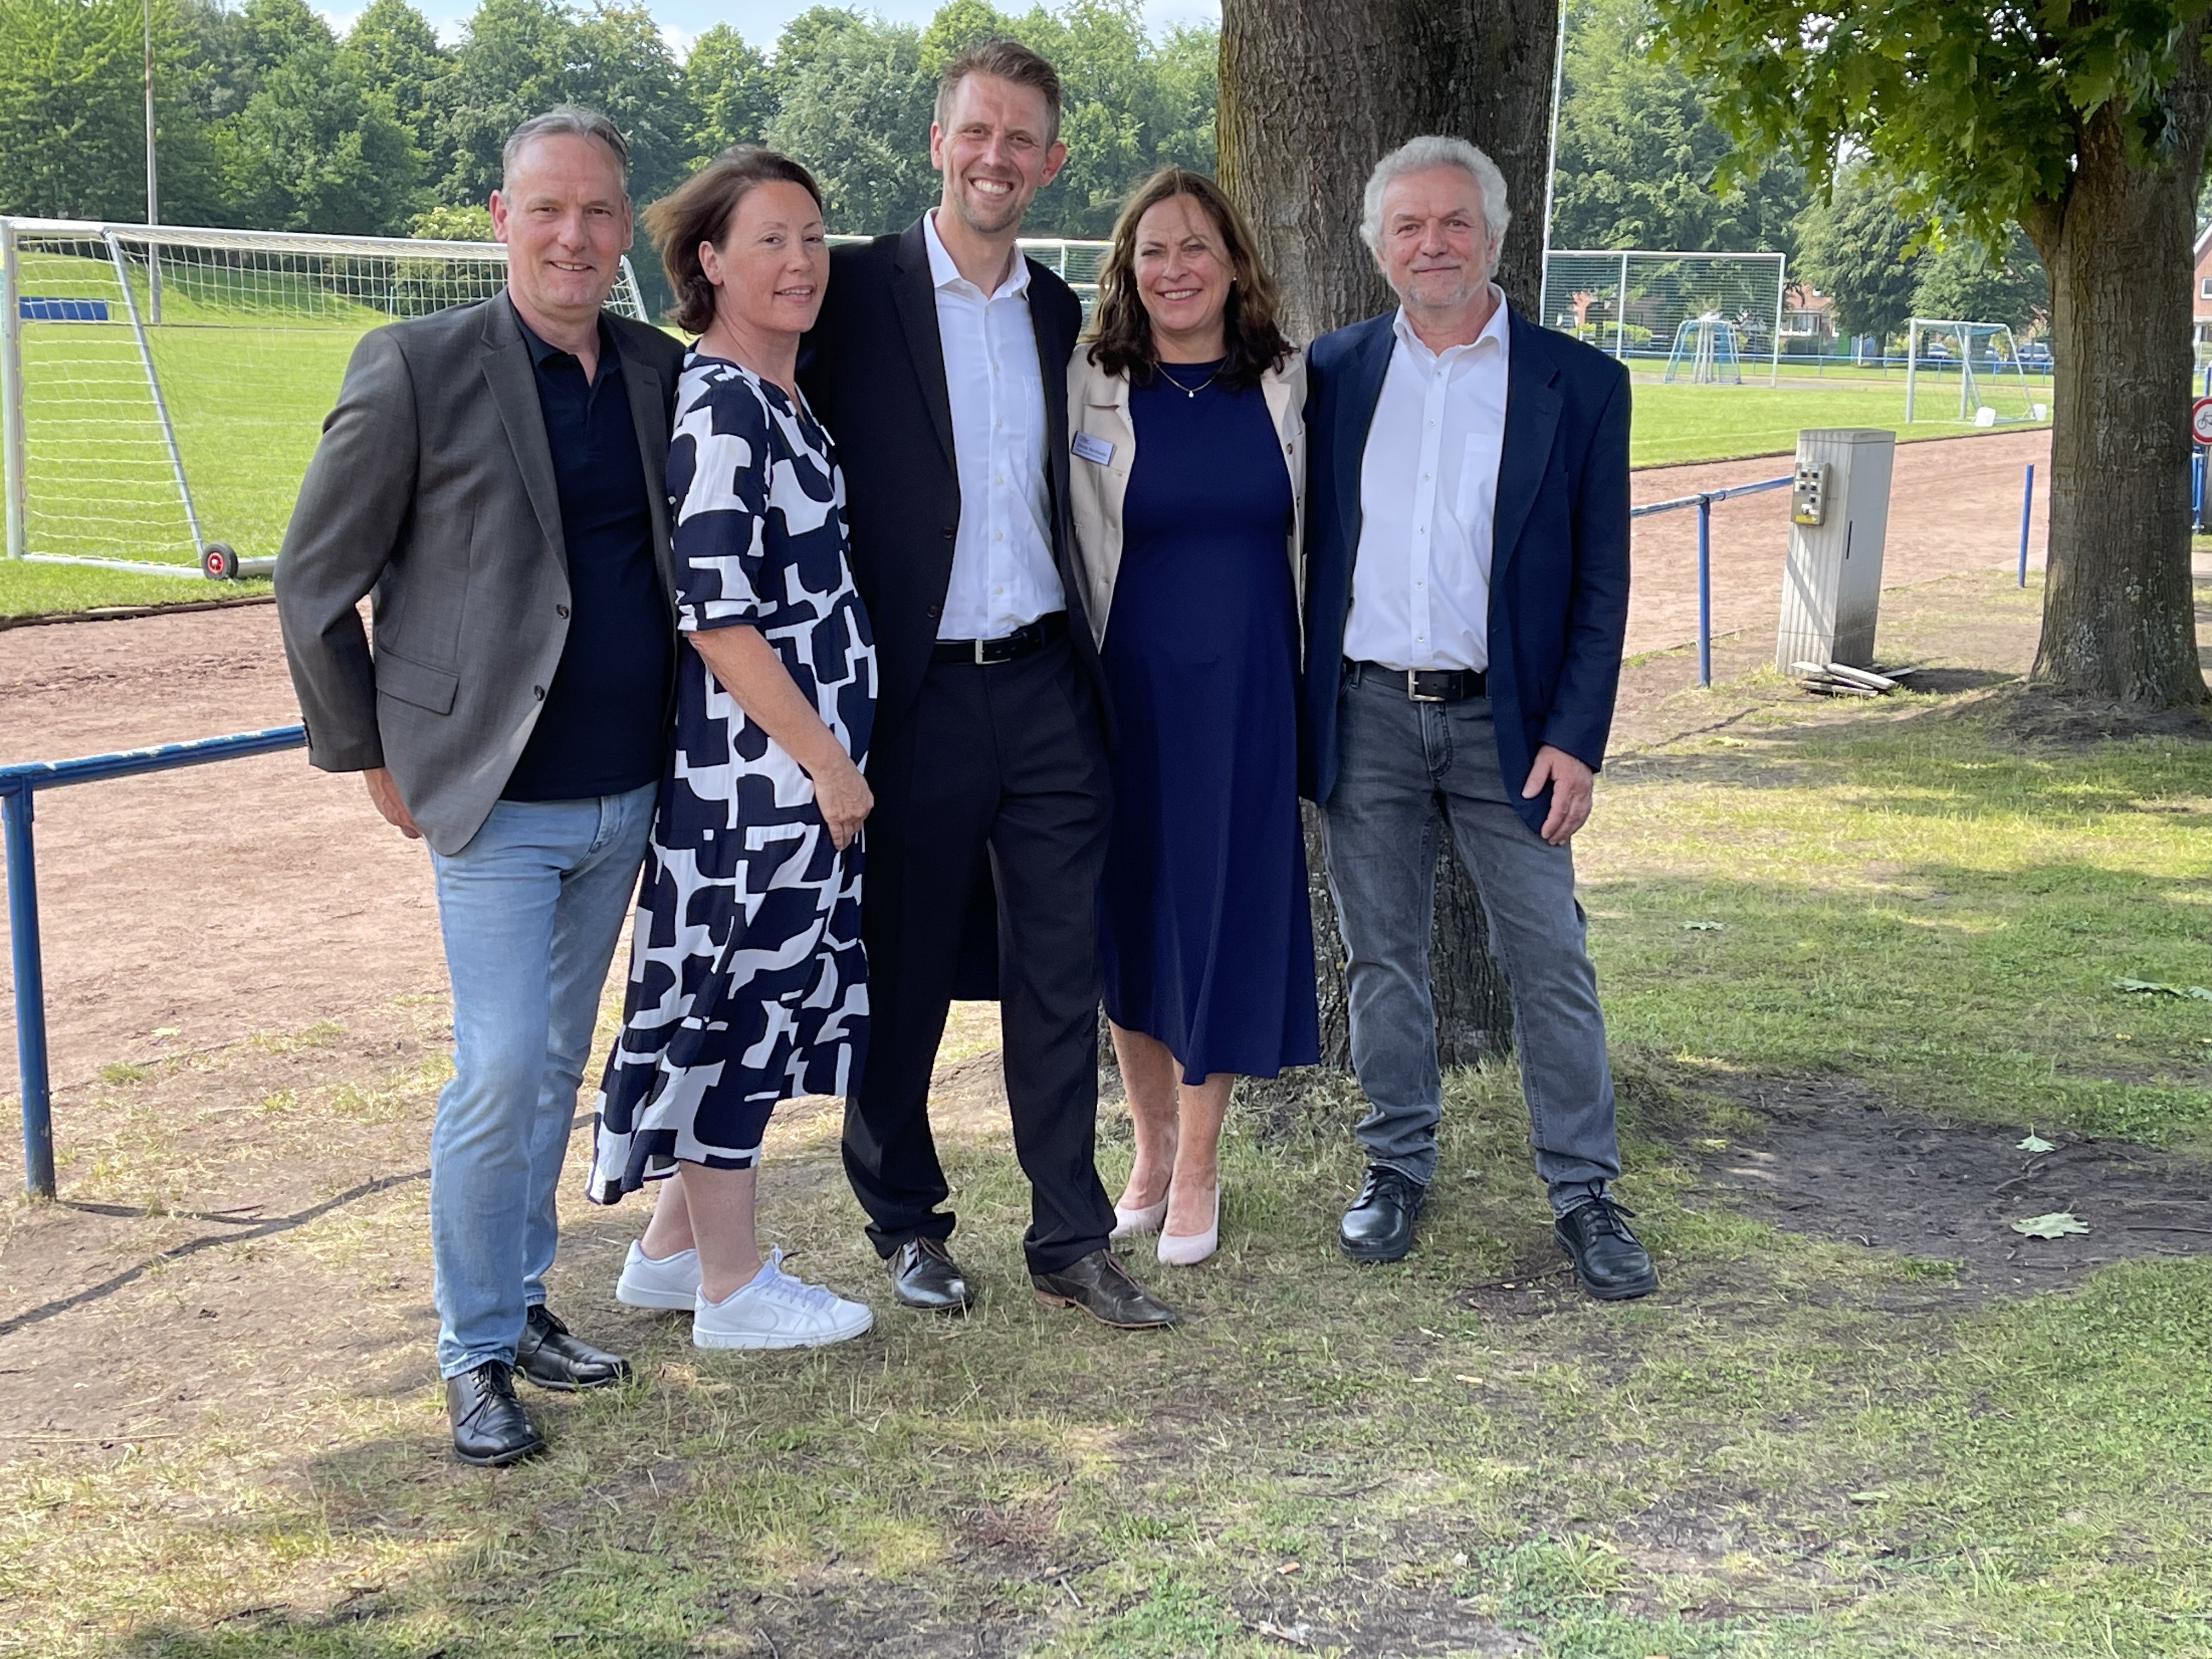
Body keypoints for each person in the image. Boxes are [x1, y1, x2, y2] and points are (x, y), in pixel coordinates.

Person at [276, 108, 688, 1465]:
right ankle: (469, 1354)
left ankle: (519, 1306)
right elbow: (313, 581)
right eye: (549, 210)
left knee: (556, 1063)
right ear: (501, 218)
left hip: (625, 793)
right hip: (493, 803)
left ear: (625, 230)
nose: (574, 236)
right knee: (500, 1069)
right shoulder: (415, 367)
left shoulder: (652, 370)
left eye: (600, 213)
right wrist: (372, 756)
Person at [799, 40, 1178, 1330]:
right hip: (911, 702)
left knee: (1058, 974)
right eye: (977, 131)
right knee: (899, 971)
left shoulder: (1061, 312)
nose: (997, 157)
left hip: (1045, 691)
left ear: (1053, 162)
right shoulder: (853, 296)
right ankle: (905, 1220)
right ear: (937, 142)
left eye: (1022, 139)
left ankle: (1069, 1234)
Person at [1298, 136, 1657, 1300]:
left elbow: (1603, 581)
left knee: (1549, 959)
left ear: (1496, 238)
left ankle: (1586, 1190)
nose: (1432, 245)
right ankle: (1396, 1166)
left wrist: (1577, 736)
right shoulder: (1334, 374)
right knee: (1383, 959)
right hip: (1367, 717)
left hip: (1513, 730)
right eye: (1408, 227)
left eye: (1454, 223)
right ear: (1377, 248)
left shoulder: (1581, 383)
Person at [583, 149, 876, 1352]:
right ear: (708, 262)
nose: (800, 261)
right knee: (734, 1010)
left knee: (748, 994)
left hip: (786, 775)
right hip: (756, 780)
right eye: (769, 239)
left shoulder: (784, 395)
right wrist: (824, 761)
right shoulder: (722, 401)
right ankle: (733, 1289)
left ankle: (669, 1254)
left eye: (811, 236)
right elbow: (715, 609)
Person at [1067, 168, 1317, 1269]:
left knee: (1217, 913)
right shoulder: (1089, 383)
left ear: (1234, 262)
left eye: (1196, 247)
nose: (1174, 270)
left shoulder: (1292, 386)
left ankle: (1205, 1167)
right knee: (1130, 918)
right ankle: (1152, 1153)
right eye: (1152, 251)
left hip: (1250, 696)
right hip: (1125, 697)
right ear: (1127, 270)